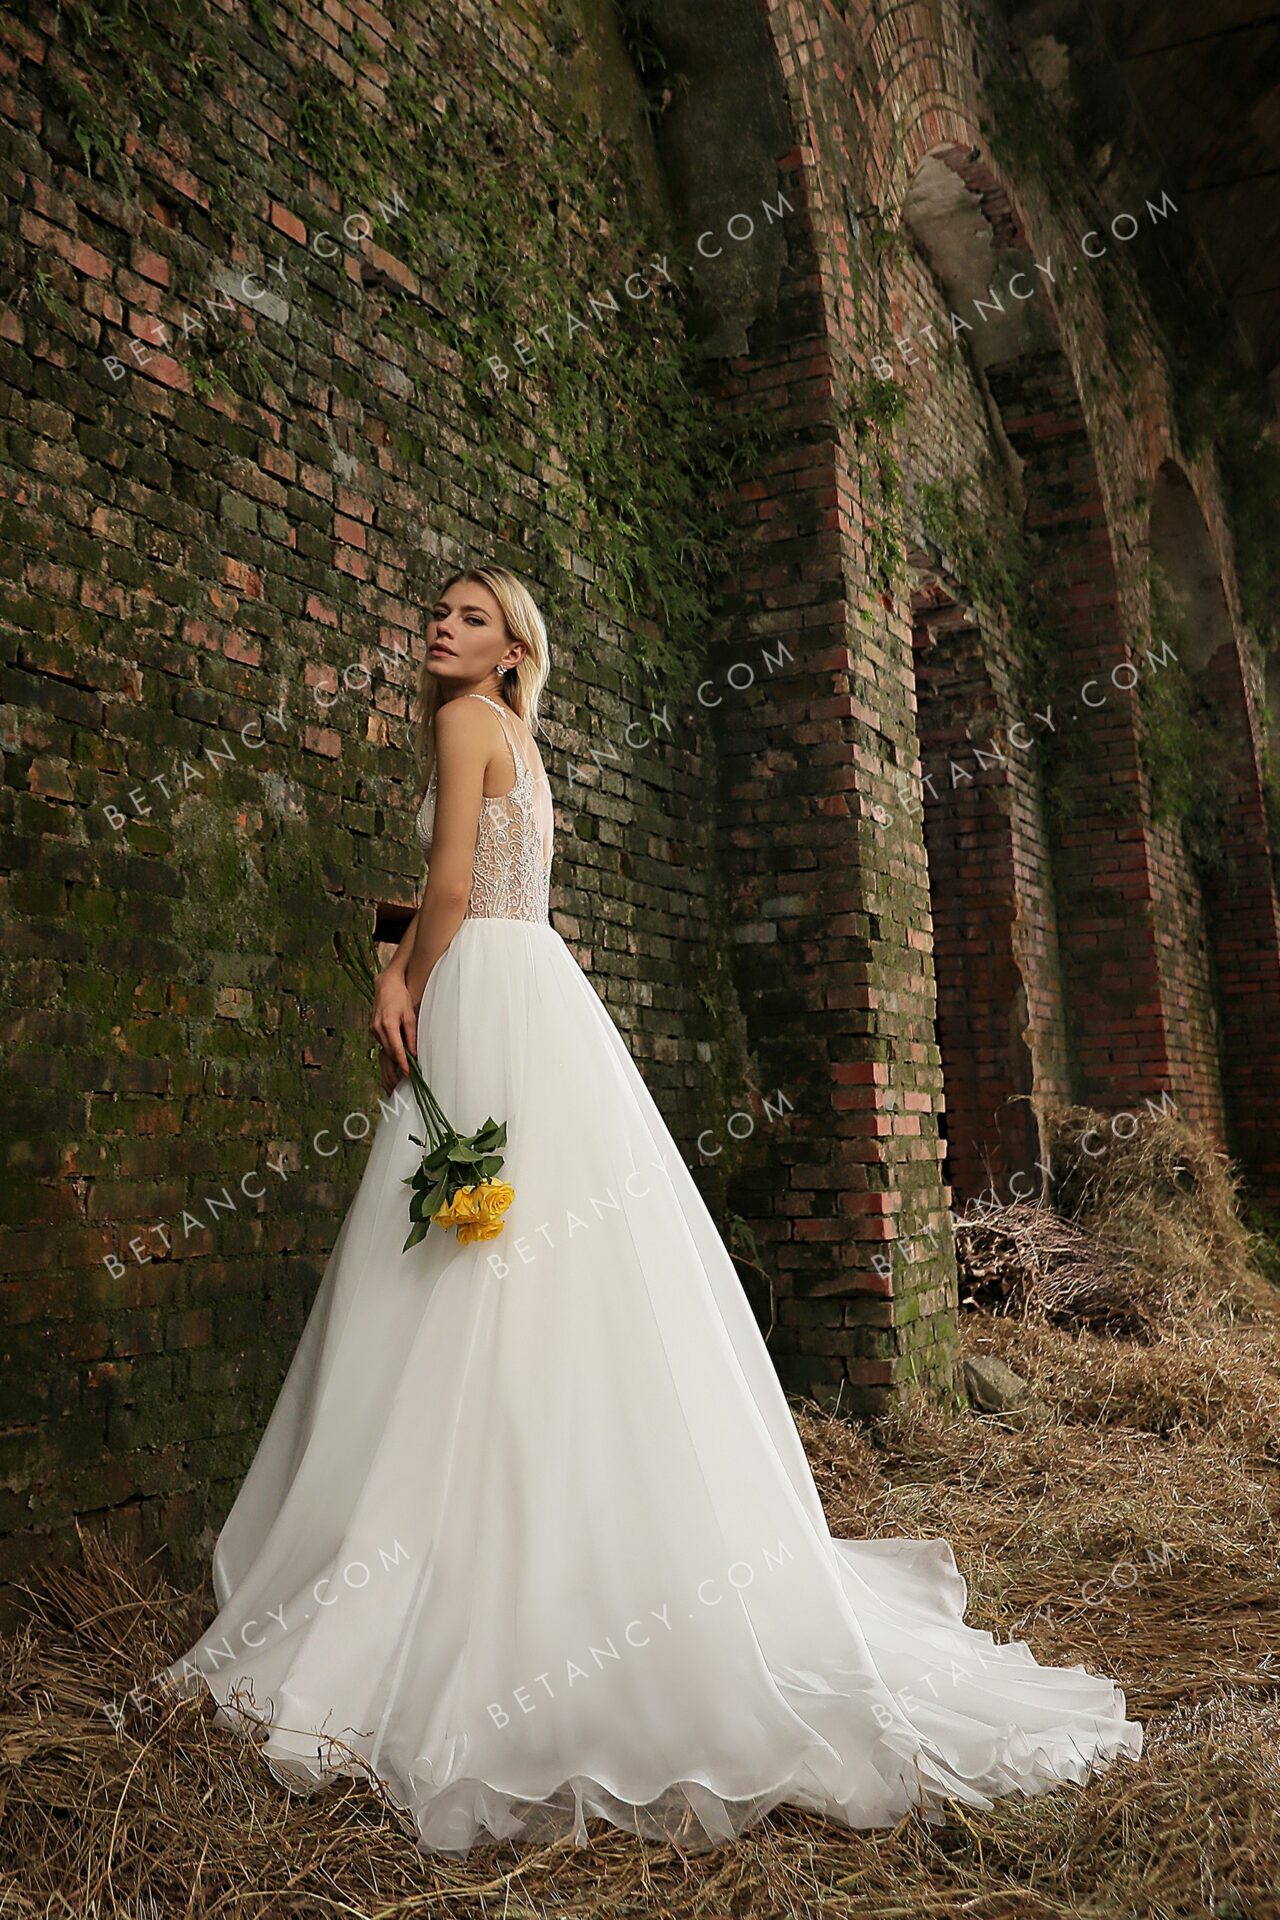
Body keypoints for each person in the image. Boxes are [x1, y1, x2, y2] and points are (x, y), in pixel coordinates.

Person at [158, 564, 1142, 1855]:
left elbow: (454, 891)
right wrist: (427, 941)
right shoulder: (523, 735)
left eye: (467, 618)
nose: (438, 631)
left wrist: (396, 980)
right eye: (436, 615)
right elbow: (509, 894)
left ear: (513, 649)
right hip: (540, 995)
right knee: (533, 1273)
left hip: (486, 994)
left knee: (466, 1265)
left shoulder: (466, 723)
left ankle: (451, 1563)